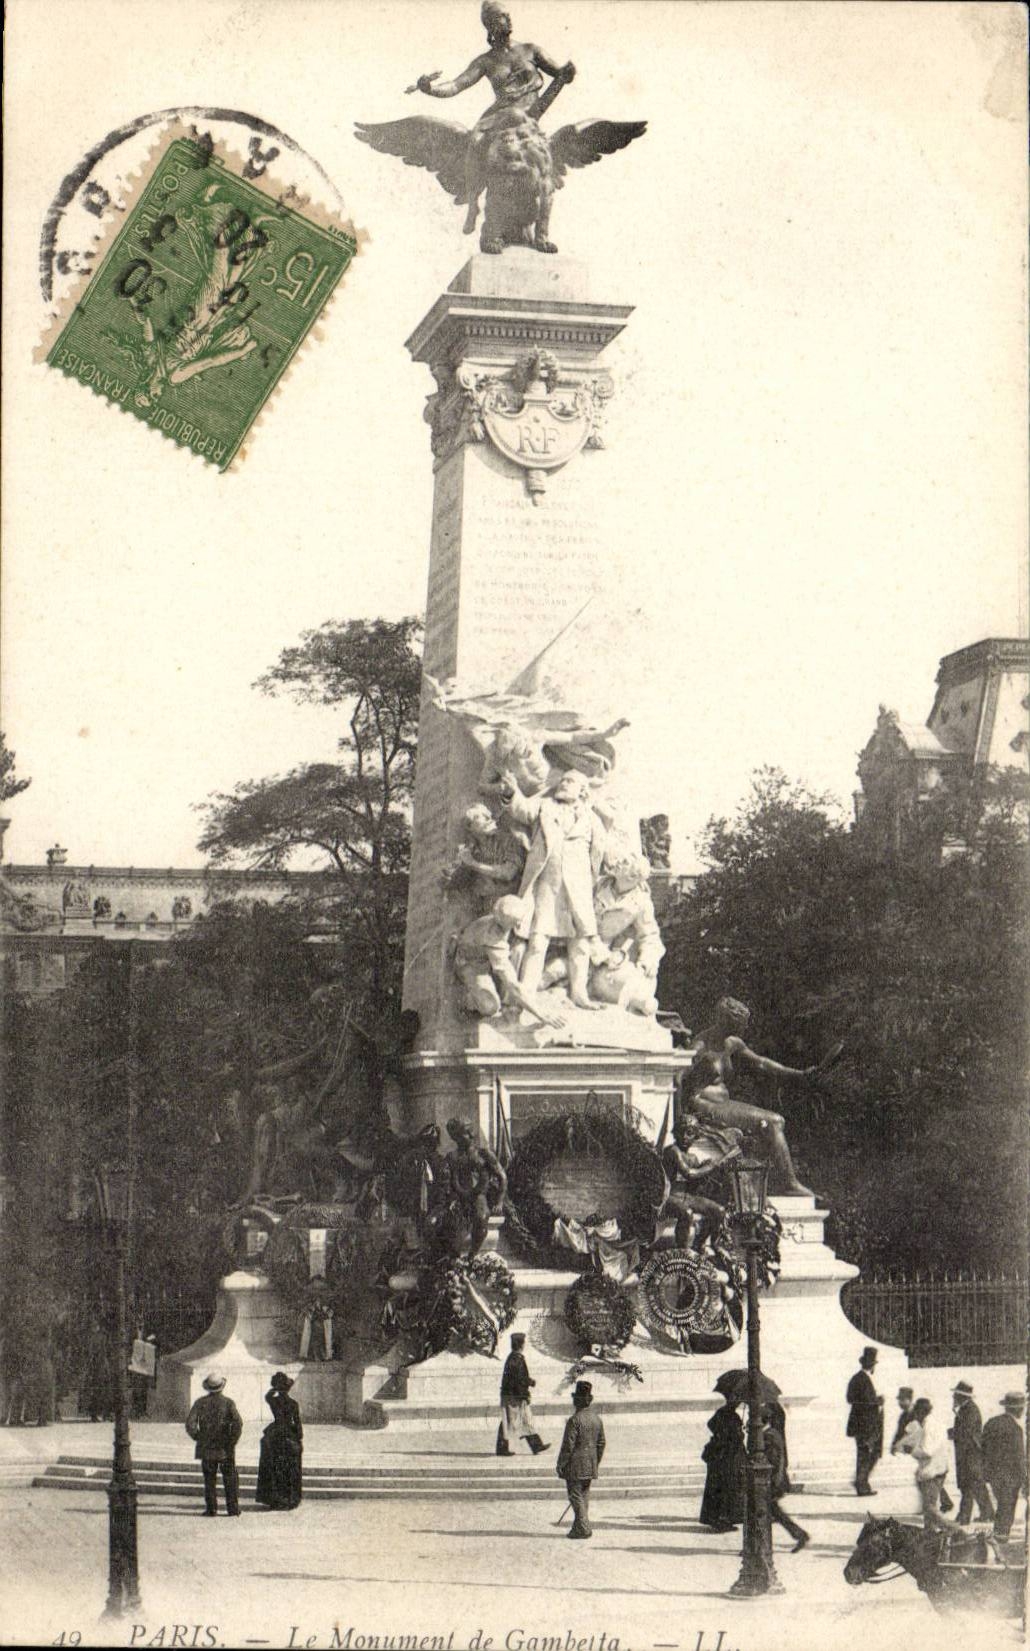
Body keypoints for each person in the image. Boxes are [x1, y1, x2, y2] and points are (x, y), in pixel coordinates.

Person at [414, 3, 575, 241]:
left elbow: (560, 73)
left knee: (543, 170)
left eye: (508, 15)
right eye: (501, 17)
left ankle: (541, 233)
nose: (508, 19)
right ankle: (472, 205)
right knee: (475, 142)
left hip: (527, 119)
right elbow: (456, 86)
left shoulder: (531, 50)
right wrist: (428, 89)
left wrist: (567, 72)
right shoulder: (485, 61)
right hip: (498, 118)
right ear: (489, 24)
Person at [681, 997, 817, 1195]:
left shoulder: (732, 1043)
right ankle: (789, 1183)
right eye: (741, 1024)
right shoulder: (700, 1045)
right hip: (702, 1104)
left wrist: (800, 1074)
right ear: (728, 1022)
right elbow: (677, 1078)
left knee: (773, 1121)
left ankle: (783, 1183)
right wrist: (679, 1118)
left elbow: (761, 1063)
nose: (745, 1028)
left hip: (722, 1103)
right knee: (774, 1121)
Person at [503, 769, 608, 1005]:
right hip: (547, 885)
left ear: (582, 790)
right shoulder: (544, 805)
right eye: (561, 780)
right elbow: (521, 810)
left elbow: (598, 853)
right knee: (538, 939)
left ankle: (579, 993)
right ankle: (527, 991)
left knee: (580, 942)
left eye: (569, 781)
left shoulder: (591, 819)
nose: (563, 784)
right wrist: (512, 792)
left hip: (578, 887)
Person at [660, 1114, 742, 1252]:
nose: (685, 1136)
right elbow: (690, 1173)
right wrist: (712, 1166)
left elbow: (698, 1178)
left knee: (719, 1211)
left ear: (696, 1136)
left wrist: (710, 1167)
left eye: (690, 1133)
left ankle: (700, 1244)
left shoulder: (692, 1157)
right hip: (670, 1196)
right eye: (682, 1132)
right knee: (686, 1213)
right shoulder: (672, 1151)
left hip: (687, 1196)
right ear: (675, 1133)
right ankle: (682, 1251)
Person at [185, 1373, 243, 1517]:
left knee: (209, 1480)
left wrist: (199, 1437)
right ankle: (233, 1508)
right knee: (230, 1478)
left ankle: (211, 1509)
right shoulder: (228, 1403)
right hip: (225, 1448)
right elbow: (238, 1423)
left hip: (207, 1448)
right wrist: (232, 1441)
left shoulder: (200, 1403)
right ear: (221, 1387)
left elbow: (190, 1424)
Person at [556, 1379, 605, 1539]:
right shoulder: (597, 1419)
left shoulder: (574, 1420)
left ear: (577, 1400)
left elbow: (568, 1446)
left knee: (575, 1495)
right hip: (590, 1464)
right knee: (583, 1495)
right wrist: (595, 1461)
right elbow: (601, 1443)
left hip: (575, 1465)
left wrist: (561, 1464)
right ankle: (577, 1527)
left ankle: (583, 1527)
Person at [896, 1397, 953, 1531]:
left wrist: (909, 1450)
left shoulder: (929, 1427)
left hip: (933, 1471)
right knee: (929, 1509)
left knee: (930, 1509)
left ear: (921, 1412)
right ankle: (930, 1535)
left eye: (916, 1413)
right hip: (935, 1469)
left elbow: (927, 1452)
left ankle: (952, 1529)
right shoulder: (928, 1424)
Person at [759, 1405, 809, 1551]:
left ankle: (760, 1545)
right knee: (773, 1513)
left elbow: (771, 1462)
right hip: (772, 1482)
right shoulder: (772, 1433)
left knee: (765, 1513)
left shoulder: (768, 1436)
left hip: (770, 1482)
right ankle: (799, 1534)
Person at [949, 1380, 996, 1525]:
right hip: (968, 1455)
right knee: (972, 1486)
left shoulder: (970, 1410)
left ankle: (966, 1516)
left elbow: (966, 1433)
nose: (953, 1398)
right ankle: (984, 1513)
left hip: (971, 1455)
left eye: (955, 1395)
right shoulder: (966, 1409)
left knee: (971, 1486)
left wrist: (952, 1433)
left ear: (962, 1396)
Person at [982, 1391, 1027, 1541]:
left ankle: (999, 1540)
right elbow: (1019, 1458)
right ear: (1018, 1409)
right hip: (1011, 1479)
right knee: (1006, 1513)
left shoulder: (992, 1423)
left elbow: (983, 1449)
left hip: (994, 1477)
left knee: (1002, 1510)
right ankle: (1001, 1543)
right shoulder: (1016, 1429)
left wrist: (986, 1474)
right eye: (1022, 1408)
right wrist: (1026, 1479)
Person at [255, 1371, 303, 1510]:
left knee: (274, 1467)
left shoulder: (274, 1401)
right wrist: (298, 1437)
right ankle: (289, 1498)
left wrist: (275, 1389)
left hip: (275, 1432)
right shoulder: (293, 1403)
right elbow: (298, 1424)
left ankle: (275, 1499)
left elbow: (267, 1396)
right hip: (288, 1433)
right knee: (288, 1468)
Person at [497, 1332, 549, 1456]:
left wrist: (529, 1382)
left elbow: (519, 1377)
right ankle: (502, 1448)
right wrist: (525, 1394)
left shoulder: (513, 1358)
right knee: (511, 1421)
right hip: (514, 1397)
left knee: (522, 1420)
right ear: (521, 1345)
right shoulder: (517, 1359)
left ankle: (536, 1446)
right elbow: (518, 1380)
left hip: (512, 1395)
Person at [699, 1395, 746, 1531]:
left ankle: (720, 1519)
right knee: (725, 1489)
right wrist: (735, 1434)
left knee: (720, 1490)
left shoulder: (723, 1412)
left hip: (721, 1458)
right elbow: (732, 1436)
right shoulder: (730, 1415)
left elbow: (711, 1424)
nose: (738, 1403)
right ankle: (722, 1520)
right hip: (726, 1458)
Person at [846, 1347, 884, 1496]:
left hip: (869, 1424)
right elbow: (850, 1399)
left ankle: (862, 1481)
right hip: (863, 1425)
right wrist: (875, 1401)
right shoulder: (859, 1378)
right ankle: (861, 1484)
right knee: (866, 1454)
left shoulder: (865, 1378)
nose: (873, 1365)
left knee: (871, 1453)